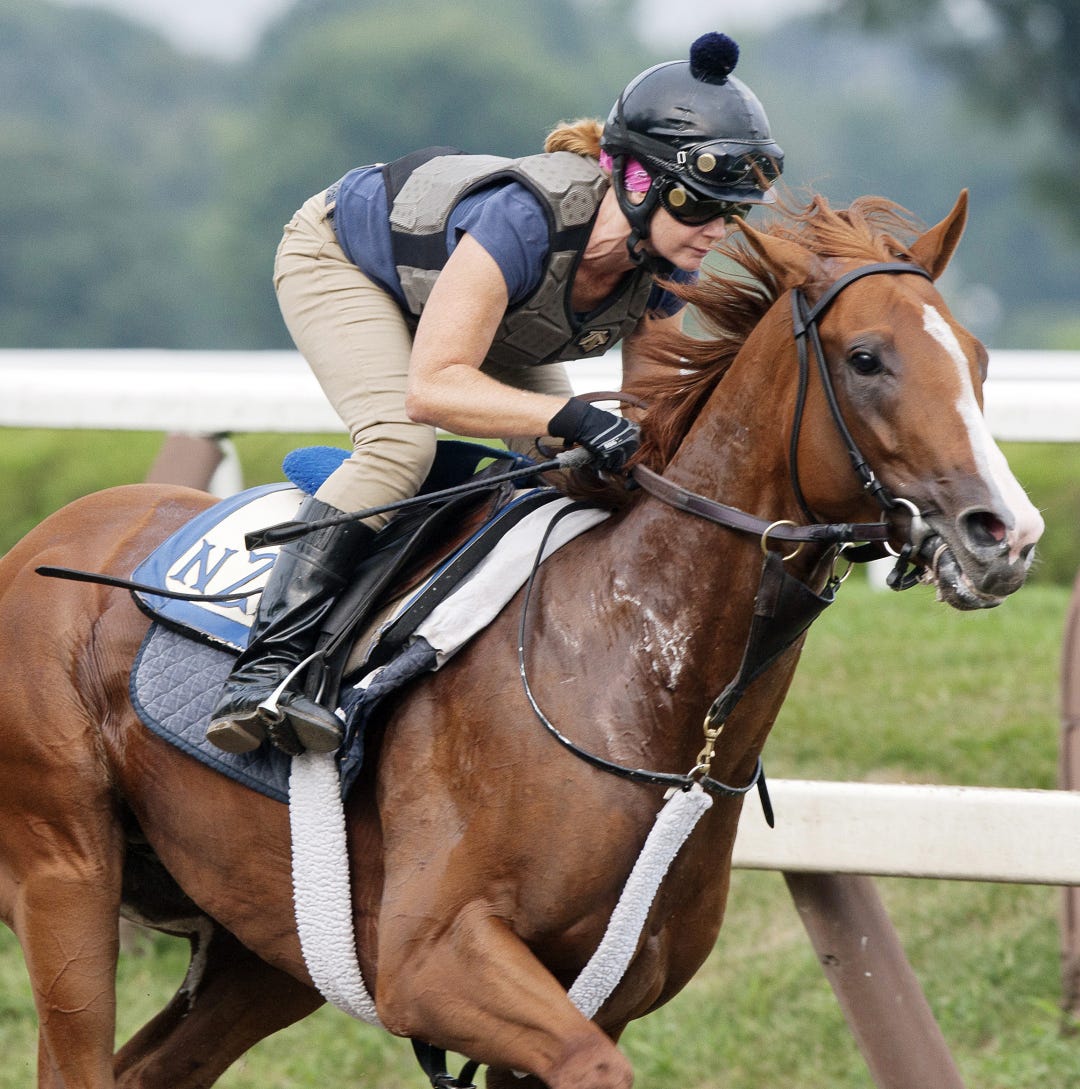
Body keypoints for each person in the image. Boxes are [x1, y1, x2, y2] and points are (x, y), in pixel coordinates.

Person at [206, 30, 784, 756]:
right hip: (345, 260)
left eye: (735, 213)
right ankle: (266, 670)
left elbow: (648, 419)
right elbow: (433, 389)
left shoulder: (667, 268)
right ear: (639, 181)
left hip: (494, 311)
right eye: (704, 206)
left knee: (570, 468)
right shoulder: (523, 219)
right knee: (399, 448)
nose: (720, 232)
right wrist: (575, 417)